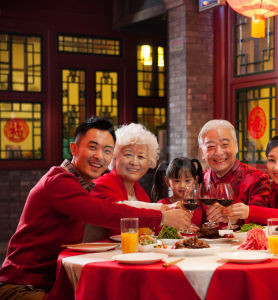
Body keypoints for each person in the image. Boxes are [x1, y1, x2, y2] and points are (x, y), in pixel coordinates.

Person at [0, 117, 191, 300]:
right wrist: (162, 216)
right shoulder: (59, 181)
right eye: (93, 147)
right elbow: (105, 211)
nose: (99, 156)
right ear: (74, 148)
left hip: (55, 282)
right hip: (23, 287)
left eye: (107, 150)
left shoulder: (81, 185)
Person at [85, 123, 174, 240]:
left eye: (141, 157)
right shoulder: (101, 185)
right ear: (114, 157)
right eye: (128, 154)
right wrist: (162, 210)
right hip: (98, 255)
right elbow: (118, 215)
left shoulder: (141, 194)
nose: (134, 162)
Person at [198, 119, 271, 225]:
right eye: (211, 147)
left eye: (224, 145)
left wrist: (235, 218)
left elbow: (261, 223)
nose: (219, 152)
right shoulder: (199, 180)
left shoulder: (257, 179)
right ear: (202, 152)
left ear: (236, 146)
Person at [152, 157, 205, 228]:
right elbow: (155, 231)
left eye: (187, 181)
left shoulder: (199, 206)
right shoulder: (162, 205)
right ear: (167, 182)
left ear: (195, 180)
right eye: (177, 181)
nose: (182, 185)